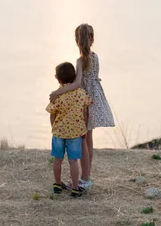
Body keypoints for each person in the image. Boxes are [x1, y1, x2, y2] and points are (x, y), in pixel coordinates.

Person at [49, 24, 115, 190]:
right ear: (92, 39)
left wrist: (59, 92)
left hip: (84, 101)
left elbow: (78, 83)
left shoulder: (80, 61)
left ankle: (84, 179)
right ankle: (86, 176)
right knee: (88, 139)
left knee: (84, 140)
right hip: (95, 96)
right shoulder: (96, 57)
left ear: (76, 40)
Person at [46, 61, 93, 198]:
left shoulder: (57, 95)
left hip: (59, 133)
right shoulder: (81, 93)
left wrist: (54, 128)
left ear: (58, 79)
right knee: (73, 161)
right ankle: (74, 187)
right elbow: (85, 112)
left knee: (57, 159)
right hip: (75, 133)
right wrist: (83, 128)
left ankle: (57, 183)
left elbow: (52, 114)